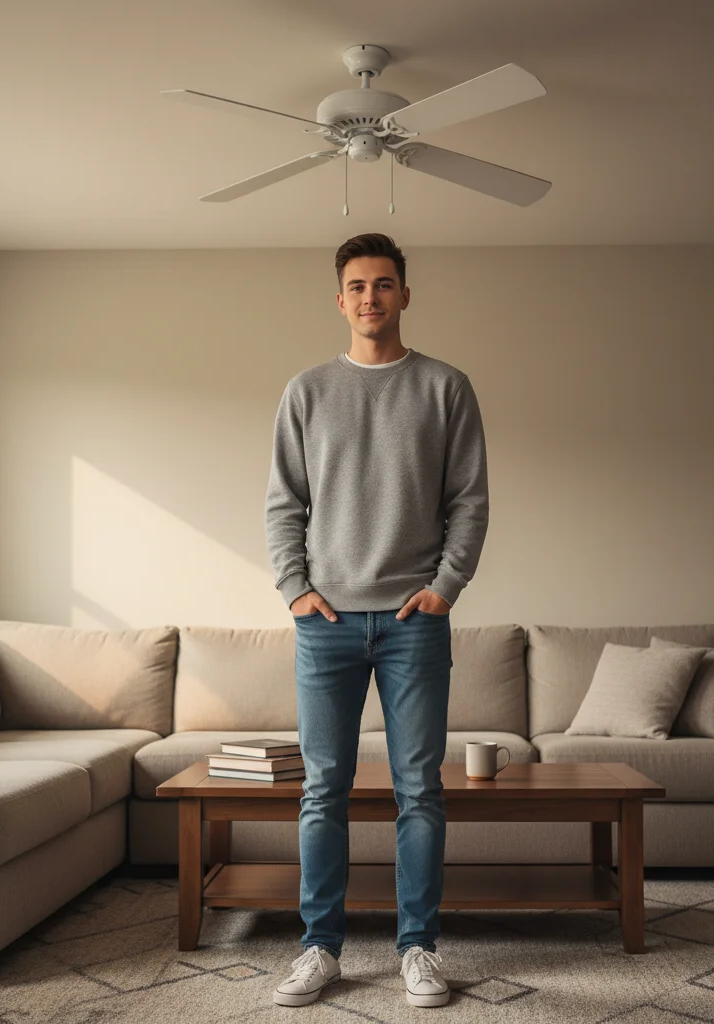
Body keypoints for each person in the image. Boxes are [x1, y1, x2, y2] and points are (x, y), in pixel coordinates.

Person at [263, 233, 489, 1008]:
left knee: (418, 790)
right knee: (322, 790)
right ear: (340, 299)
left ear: (403, 294)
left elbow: (469, 501)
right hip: (326, 625)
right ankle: (319, 949)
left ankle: (418, 948)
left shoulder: (445, 387)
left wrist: (446, 587)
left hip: (413, 622)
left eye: (384, 285)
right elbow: (282, 503)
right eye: (356, 286)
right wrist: (295, 588)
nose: (370, 298)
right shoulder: (307, 391)